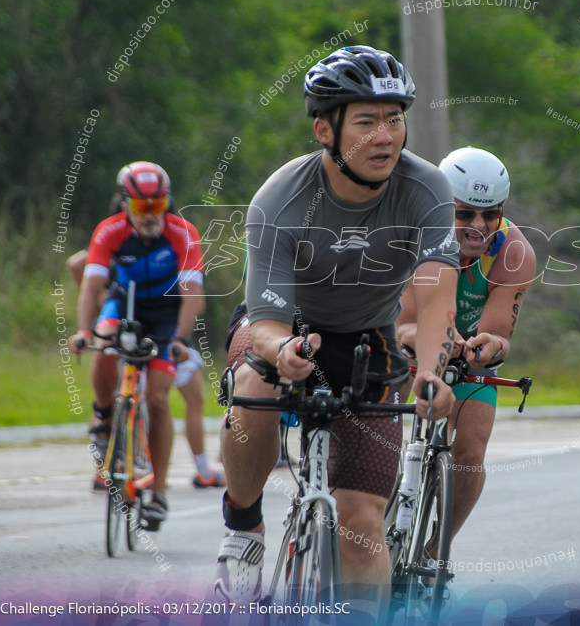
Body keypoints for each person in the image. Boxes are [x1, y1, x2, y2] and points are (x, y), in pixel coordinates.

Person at [213, 45, 459, 615]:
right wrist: (286, 351)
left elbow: (434, 299)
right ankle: (243, 529)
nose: (385, 136)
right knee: (255, 383)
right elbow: (268, 323)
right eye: (367, 121)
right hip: (284, 326)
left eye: (394, 119)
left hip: (366, 336)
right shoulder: (281, 198)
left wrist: (429, 374)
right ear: (325, 129)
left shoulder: (426, 191)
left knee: (362, 524)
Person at [395, 146, 536, 560]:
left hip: (465, 357)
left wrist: (487, 346)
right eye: (464, 214)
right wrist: (429, 341)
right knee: (375, 430)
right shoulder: (414, 237)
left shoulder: (513, 252)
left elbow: (498, 338)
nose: (478, 226)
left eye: (490, 214)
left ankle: (434, 553)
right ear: (442, 207)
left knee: (471, 451)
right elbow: (402, 324)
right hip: (409, 345)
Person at [69, 162, 206, 530]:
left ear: (167, 202)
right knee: (103, 339)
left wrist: (179, 340)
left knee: (158, 399)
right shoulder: (110, 230)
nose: (150, 215)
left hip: (165, 313)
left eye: (158, 206)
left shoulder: (183, 232)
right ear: (125, 203)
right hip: (124, 301)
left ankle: (158, 493)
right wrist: (84, 331)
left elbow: (194, 295)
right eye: (143, 207)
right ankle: (102, 415)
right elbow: (91, 285)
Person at [67, 248, 226, 490]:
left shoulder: (143, 246)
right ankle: (196, 470)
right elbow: (199, 303)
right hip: (139, 331)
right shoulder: (137, 246)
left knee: (125, 397)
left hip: (141, 331)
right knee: (142, 399)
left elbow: (76, 263)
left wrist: (95, 301)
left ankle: (106, 471)